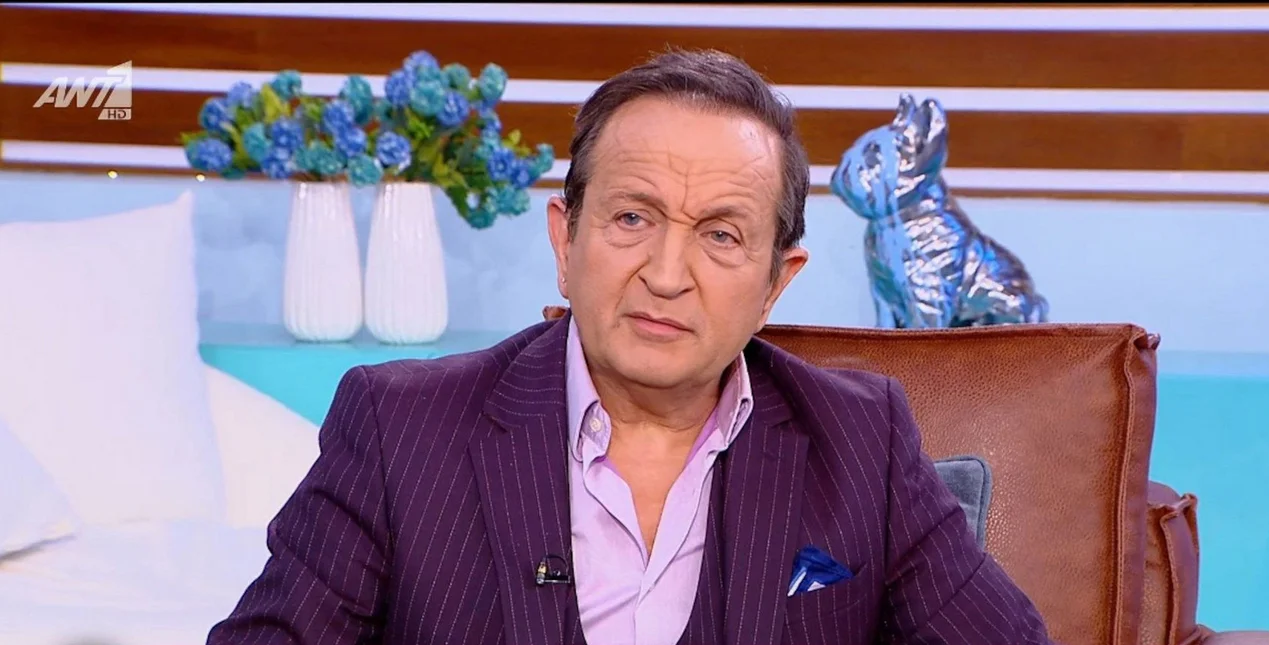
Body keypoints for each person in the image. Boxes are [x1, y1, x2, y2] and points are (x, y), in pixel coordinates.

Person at [207, 49, 1051, 645]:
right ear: (565, 240)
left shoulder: (862, 441)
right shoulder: (400, 429)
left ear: (775, 283)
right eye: (632, 217)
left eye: (721, 235)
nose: (666, 274)